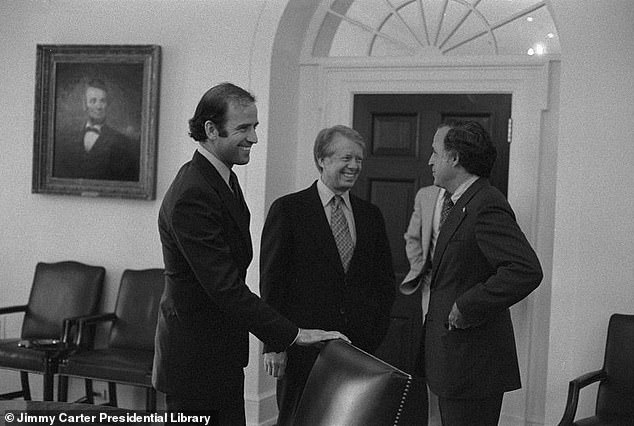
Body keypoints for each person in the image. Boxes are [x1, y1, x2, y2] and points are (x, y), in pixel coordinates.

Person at [153, 83, 348, 425]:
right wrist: (294, 334)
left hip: (220, 356)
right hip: (195, 364)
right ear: (211, 130)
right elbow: (224, 287)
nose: (254, 138)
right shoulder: (193, 192)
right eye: (243, 128)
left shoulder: (221, 178)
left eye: (254, 127)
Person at [260, 125, 396, 425]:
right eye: (347, 158)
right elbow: (272, 283)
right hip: (303, 349)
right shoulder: (289, 210)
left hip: (358, 349)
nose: (355, 166)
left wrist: (373, 334)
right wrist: (275, 344)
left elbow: (385, 283)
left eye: (359, 159)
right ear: (322, 159)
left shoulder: (370, 215)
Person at [421, 121, 543, 426]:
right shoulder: (462, 202)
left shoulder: (486, 203)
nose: (430, 161)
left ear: (455, 159)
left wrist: (467, 305)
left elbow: (525, 269)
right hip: (453, 360)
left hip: (472, 365)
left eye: (436, 153)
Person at [53, 78, 140, 181]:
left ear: (107, 104)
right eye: (93, 101)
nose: (99, 106)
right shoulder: (67, 139)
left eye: (102, 101)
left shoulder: (121, 141)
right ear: (84, 104)